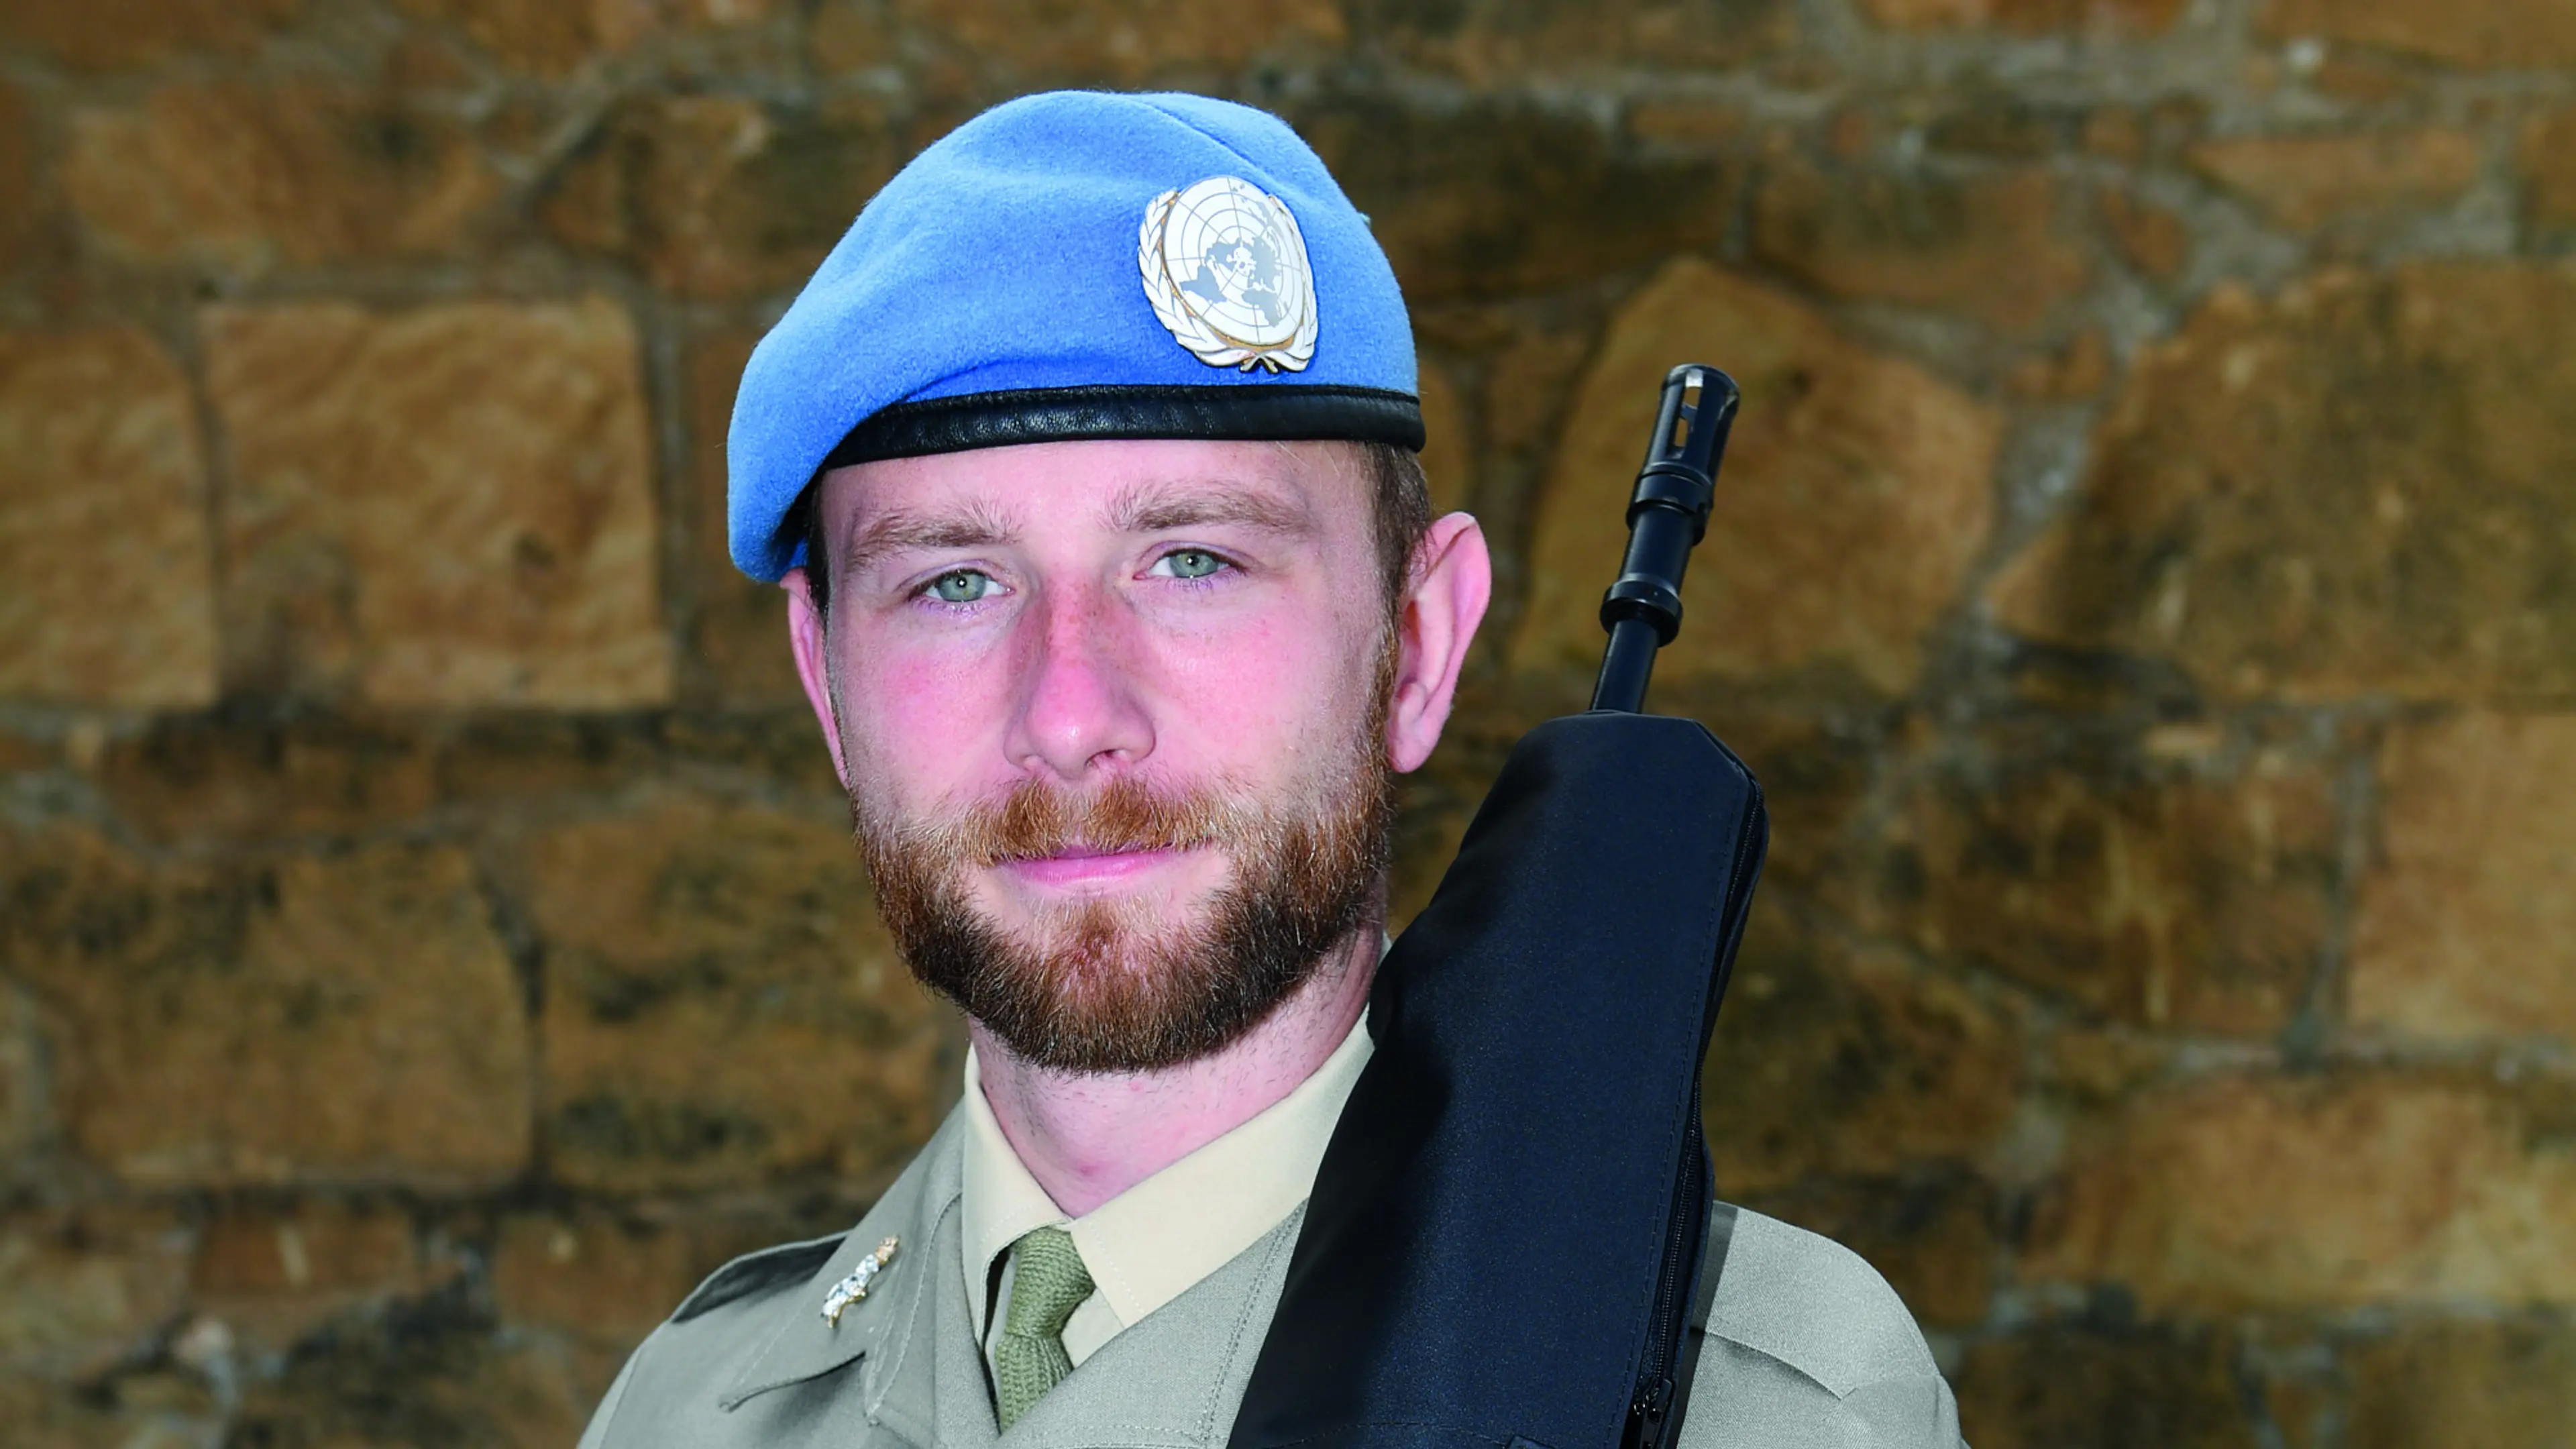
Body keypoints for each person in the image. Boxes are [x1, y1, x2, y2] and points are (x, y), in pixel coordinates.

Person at [577, 90, 1966, 1449]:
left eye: (1193, 560)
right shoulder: (685, 1415)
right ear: (825, 680)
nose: (1070, 716)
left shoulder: (1777, 1417)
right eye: (954, 582)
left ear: (1417, 646)